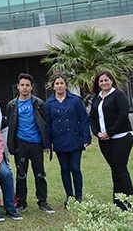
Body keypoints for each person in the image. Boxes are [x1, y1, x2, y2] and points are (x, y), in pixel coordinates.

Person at [6, 73, 54, 214]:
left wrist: (46, 144)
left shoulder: (39, 104)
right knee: (21, 174)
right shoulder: (12, 105)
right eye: (22, 85)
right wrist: (12, 145)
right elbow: (11, 125)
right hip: (20, 143)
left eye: (28, 85)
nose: (25, 88)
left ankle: (43, 202)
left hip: (36, 143)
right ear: (18, 87)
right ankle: (21, 202)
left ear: (31, 87)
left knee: (40, 174)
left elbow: (45, 124)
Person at [89, 70, 133, 210]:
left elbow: (123, 115)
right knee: (115, 169)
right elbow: (91, 117)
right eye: (101, 81)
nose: (104, 83)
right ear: (98, 83)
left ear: (111, 80)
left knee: (120, 168)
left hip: (121, 137)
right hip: (104, 140)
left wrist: (109, 132)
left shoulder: (118, 95)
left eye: (106, 80)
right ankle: (119, 203)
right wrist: (98, 133)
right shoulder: (97, 97)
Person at [46, 72, 90, 208]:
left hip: (75, 139)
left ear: (66, 85)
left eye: (62, 83)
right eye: (57, 83)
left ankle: (79, 196)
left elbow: (84, 119)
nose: (59, 86)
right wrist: (47, 143)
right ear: (53, 86)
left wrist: (86, 137)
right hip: (59, 141)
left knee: (75, 168)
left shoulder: (75, 100)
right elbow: (47, 124)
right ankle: (69, 196)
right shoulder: (49, 103)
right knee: (64, 168)